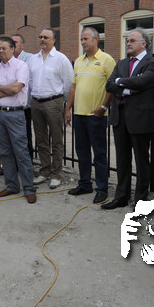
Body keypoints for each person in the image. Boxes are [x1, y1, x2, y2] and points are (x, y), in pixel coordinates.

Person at [102, 28, 154, 210]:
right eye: (127, 41)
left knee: (142, 161)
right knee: (122, 160)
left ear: (143, 44)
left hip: (141, 119)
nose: (128, 43)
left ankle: (141, 201)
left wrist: (120, 82)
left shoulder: (153, 63)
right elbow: (109, 85)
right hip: (120, 118)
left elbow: (143, 82)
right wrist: (127, 88)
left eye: (132, 41)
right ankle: (121, 197)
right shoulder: (121, 63)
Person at [64, 27, 115, 203]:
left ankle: (102, 188)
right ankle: (85, 183)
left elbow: (112, 87)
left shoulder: (107, 60)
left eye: (86, 39)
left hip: (96, 116)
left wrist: (103, 107)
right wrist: (68, 109)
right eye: (81, 39)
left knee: (99, 153)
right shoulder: (78, 61)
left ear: (96, 40)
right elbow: (73, 87)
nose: (83, 42)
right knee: (82, 152)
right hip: (79, 114)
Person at [0, 37, 36, 204]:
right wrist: (7, 89)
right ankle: (12, 185)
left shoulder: (21, 66)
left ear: (12, 49)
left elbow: (17, 88)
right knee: (4, 151)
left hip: (16, 114)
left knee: (21, 152)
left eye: (4, 48)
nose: (0, 51)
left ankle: (29, 189)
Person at [28, 29, 73, 189]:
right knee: (41, 139)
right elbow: (30, 80)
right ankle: (44, 170)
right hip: (36, 102)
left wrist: (64, 104)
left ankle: (56, 174)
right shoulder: (33, 59)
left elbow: (68, 83)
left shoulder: (61, 59)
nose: (42, 39)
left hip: (53, 102)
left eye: (46, 37)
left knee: (57, 139)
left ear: (53, 40)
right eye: (40, 37)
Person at [12, 33, 35, 158]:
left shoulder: (30, 59)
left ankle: (28, 161)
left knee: (25, 134)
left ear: (22, 45)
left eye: (15, 42)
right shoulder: (8, 60)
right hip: (11, 104)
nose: (13, 44)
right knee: (14, 135)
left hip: (25, 105)